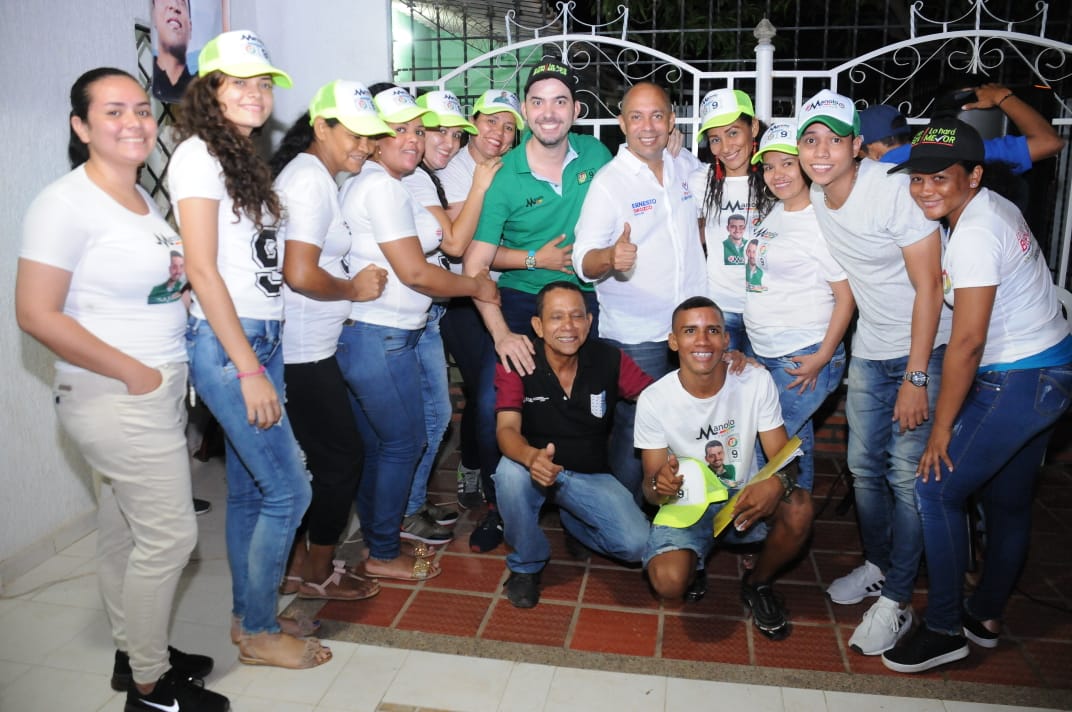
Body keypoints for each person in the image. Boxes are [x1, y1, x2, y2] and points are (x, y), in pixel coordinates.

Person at [16, 67, 228, 711]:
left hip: (149, 391)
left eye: (140, 109)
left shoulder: (139, 198)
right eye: (113, 111)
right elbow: (36, 313)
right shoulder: (65, 203)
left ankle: (132, 652)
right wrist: (136, 374)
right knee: (170, 539)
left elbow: (144, 285)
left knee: (123, 534)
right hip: (117, 394)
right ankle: (150, 688)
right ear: (80, 127)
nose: (134, 121)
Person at [880, 118, 1072, 673]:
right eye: (917, 179)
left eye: (940, 177)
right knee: (1007, 501)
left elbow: (967, 342)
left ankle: (944, 629)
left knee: (935, 488)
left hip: (1018, 378)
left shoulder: (975, 234)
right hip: (1051, 369)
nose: (925, 189)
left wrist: (941, 430)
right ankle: (984, 615)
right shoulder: (990, 208)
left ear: (974, 175)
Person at [170, 30, 332, 669]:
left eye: (263, 83)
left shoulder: (237, 156)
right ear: (210, 90)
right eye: (239, 82)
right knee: (290, 490)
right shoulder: (197, 156)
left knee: (252, 492)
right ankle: (261, 631)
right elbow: (203, 270)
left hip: (259, 338)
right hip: (231, 346)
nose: (256, 93)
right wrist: (248, 368)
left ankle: (248, 615)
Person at [796, 89, 949, 656]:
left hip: (926, 347)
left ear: (857, 145)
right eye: (810, 140)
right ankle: (879, 567)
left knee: (906, 474)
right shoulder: (817, 194)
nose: (820, 151)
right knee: (863, 467)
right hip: (873, 346)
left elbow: (930, 286)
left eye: (833, 140)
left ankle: (898, 598)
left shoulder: (891, 189)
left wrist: (916, 376)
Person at [338, 84, 498, 578]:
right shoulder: (383, 186)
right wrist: (475, 285)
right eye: (400, 130)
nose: (413, 139)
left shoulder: (387, 181)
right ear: (374, 138)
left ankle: (379, 540)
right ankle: (384, 551)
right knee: (402, 443)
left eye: (415, 129)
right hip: (379, 334)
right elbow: (417, 272)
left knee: (385, 444)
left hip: (388, 332)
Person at [463, 61, 613, 550]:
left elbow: (640, 186)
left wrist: (672, 155)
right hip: (520, 297)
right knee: (491, 403)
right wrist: (502, 334)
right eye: (538, 102)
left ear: (576, 110)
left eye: (560, 101)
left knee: (592, 398)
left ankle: (582, 502)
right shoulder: (505, 176)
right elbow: (474, 265)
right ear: (526, 112)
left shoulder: (596, 154)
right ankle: (498, 507)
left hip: (582, 295)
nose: (549, 112)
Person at [269, 80, 391, 601]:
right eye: (355, 134)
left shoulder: (315, 176)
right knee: (341, 461)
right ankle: (317, 572)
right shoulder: (309, 181)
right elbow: (298, 272)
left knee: (323, 461)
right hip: (301, 353)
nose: (365, 146)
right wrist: (352, 289)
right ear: (321, 127)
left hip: (310, 349)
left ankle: (298, 564)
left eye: (371, 136)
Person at [636, 297, 813, 640]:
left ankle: (758, 583)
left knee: (799, 508)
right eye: (690, 331)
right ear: (673, 341)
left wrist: (778, 482)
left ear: (726, 339)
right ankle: (694, 561)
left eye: (713, 330)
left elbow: (785, 459)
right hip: (688, 504)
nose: (702, 340)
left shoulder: (754, 381)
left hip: (743, 500)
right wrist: (660, 486)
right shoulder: (654, 400)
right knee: (669, 581)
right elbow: (651, 489)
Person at [572, 81, 706, 499]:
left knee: (687, 422)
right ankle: (623, 516)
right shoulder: (609, 183)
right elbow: (582, 259)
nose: (647, 126)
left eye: (657, 116)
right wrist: (610, 256)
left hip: (690, 327)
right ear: (622, 123)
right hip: (637, 333)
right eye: (636, 116)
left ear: (672, 120)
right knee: (638, 429)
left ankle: (673, 507)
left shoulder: (685, 164)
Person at [494, 282, 652, 608]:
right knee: (508, 473)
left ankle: (575, 522)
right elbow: (506, 429)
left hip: (589, 474)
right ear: (538, 326)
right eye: (556, 317)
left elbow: (658, 398)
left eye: (577, 316)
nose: (568, 326)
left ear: (589, 322)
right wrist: (531, 457)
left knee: (637, 545)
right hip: (532, 469)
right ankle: (527, 563)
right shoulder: (517, 361)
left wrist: (716, 373)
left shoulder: (609, 359)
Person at [745, 121, 854, 499]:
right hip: (768, 352)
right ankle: (795, 517)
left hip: (803, 355)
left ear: (805, 165)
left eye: (787, 163)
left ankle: (757, 523)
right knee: (792, 447)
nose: (777, 174)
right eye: (769, 166)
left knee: (763, 450)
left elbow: (846, 297)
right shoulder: (776, 210)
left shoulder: (820, 222)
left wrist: (822, 357)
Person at [395, 89, 479, 545]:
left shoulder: (425, 176)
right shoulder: (413, 179)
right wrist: (483, 185)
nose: (448, 142)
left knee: (434, 414)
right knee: (424, 419)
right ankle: (402, 513)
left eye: (455, 134)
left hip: (425, 313)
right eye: (437, 132)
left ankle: (410, 504)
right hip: (403, 317)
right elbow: (454, 243)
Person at [432, 88, 520, 518]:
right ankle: (475, 468)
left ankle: (496, 474)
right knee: (482, 386)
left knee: (498, 387)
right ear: (474, 122)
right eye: (491, 121)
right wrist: (533, 257)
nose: (498, 133)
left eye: (509, 127)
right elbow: (462, 246)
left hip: (503, 292)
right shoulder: (453, 169)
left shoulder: (513, 167)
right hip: (463, 299)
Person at [687, 88, 773, 354]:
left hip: (771, 309)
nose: (725, 147)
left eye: (733, 132)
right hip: (722, 310)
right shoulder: (700, 181)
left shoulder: (776, 178)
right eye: (715, 139)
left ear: (753, 127)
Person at [858, 84, 1066, 171]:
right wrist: (1001, 96)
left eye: (859, 153)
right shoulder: (958, 148)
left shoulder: (869, 174)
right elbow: (1049, 142)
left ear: (873, 151)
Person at [150, 0, 193, 102]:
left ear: (190, 26)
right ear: (153, 16)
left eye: (182, 2)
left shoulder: (203, 86)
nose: (174, 6)